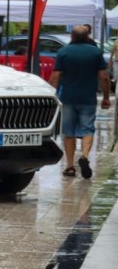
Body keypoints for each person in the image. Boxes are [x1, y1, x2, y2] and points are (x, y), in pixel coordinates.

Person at [51, 23, 111, 178]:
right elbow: (104, 77)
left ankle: (70, 166)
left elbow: (55, 76)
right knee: (87, 129)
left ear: (72, 37)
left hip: (67, 97)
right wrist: (106, 97)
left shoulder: (63, 52)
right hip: (88, 98)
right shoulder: (95, 52)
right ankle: (84, 156)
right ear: (87, 37)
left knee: (68, 132)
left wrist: (53, 96)